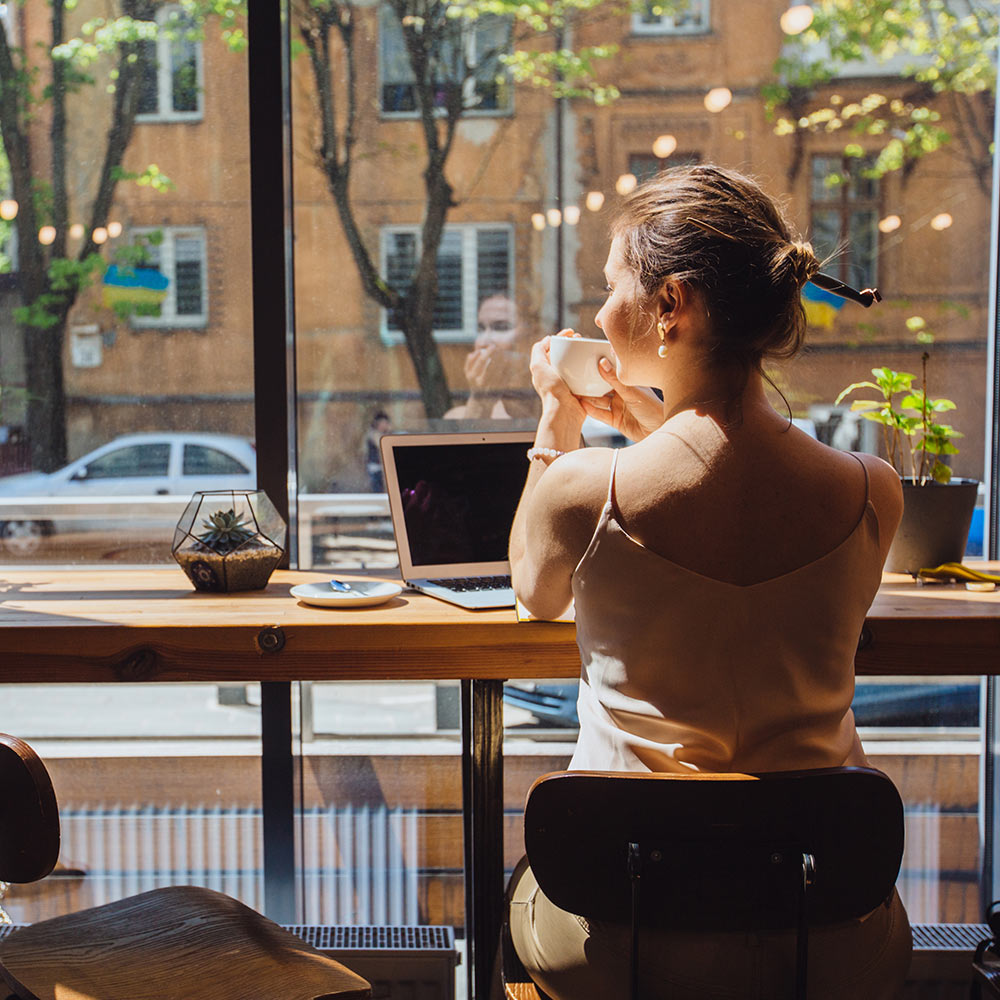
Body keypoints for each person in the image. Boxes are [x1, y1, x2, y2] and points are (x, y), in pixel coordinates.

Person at [506, 165, 910, 999]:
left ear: (671, 304)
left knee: (513, 895)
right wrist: (653, 425)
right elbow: (743, 506)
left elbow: (531, 592)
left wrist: (555, 429)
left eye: (613, 283)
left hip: (626, 935)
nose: (599, 312)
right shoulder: (875, 492)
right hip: (823, 929)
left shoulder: (586, 490)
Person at [444, 293, 540, 420]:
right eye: (481, 329)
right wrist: (479, 401)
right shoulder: (456, 417)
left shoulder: (553, 404)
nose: (483, 342)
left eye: (501, 327)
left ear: (531, 335)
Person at [364, 410, 391, 492]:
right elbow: (381, 445)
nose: (385, 425)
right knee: (377, 489)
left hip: (380, 467)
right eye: (383, 423)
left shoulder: (382, 434)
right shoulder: (374, 434)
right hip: (375, 467)